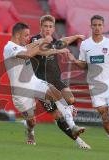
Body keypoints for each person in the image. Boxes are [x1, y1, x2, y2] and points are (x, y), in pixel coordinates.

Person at [3, 22, 87, 147]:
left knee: (53, 90)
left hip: (33, 82)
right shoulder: (10, 48)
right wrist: (42, 42)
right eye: (26, 35)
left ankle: (73, 126)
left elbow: (43, 52)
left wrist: (58, 51)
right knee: (31, 121)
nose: (28, 38)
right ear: (18, 35)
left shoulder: (23, 46)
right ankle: (30, 131)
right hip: (21, 91)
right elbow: (27, 55)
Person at [67, 15, 109, 149]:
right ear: (91, 27)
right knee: (104, 115)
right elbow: (84, 65)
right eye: (94, 25)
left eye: (99, 25)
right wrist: (73, 59)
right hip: (95, 86)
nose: (97, 27)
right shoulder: (85, 44)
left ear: (103, 27)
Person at [30, 15, 90, 149]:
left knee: (70, 99)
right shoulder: (35, 40)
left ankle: (71, 118)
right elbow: (42, 51)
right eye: (45, 26)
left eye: (50, 26)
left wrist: (77, 36)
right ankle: (78, 141)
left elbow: (64, 40)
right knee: (57, 116)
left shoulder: (54, 40)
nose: (47, 29)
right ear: (41, 26)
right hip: (42, 84)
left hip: (56, 80)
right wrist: (59, 50)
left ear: (53, 28)